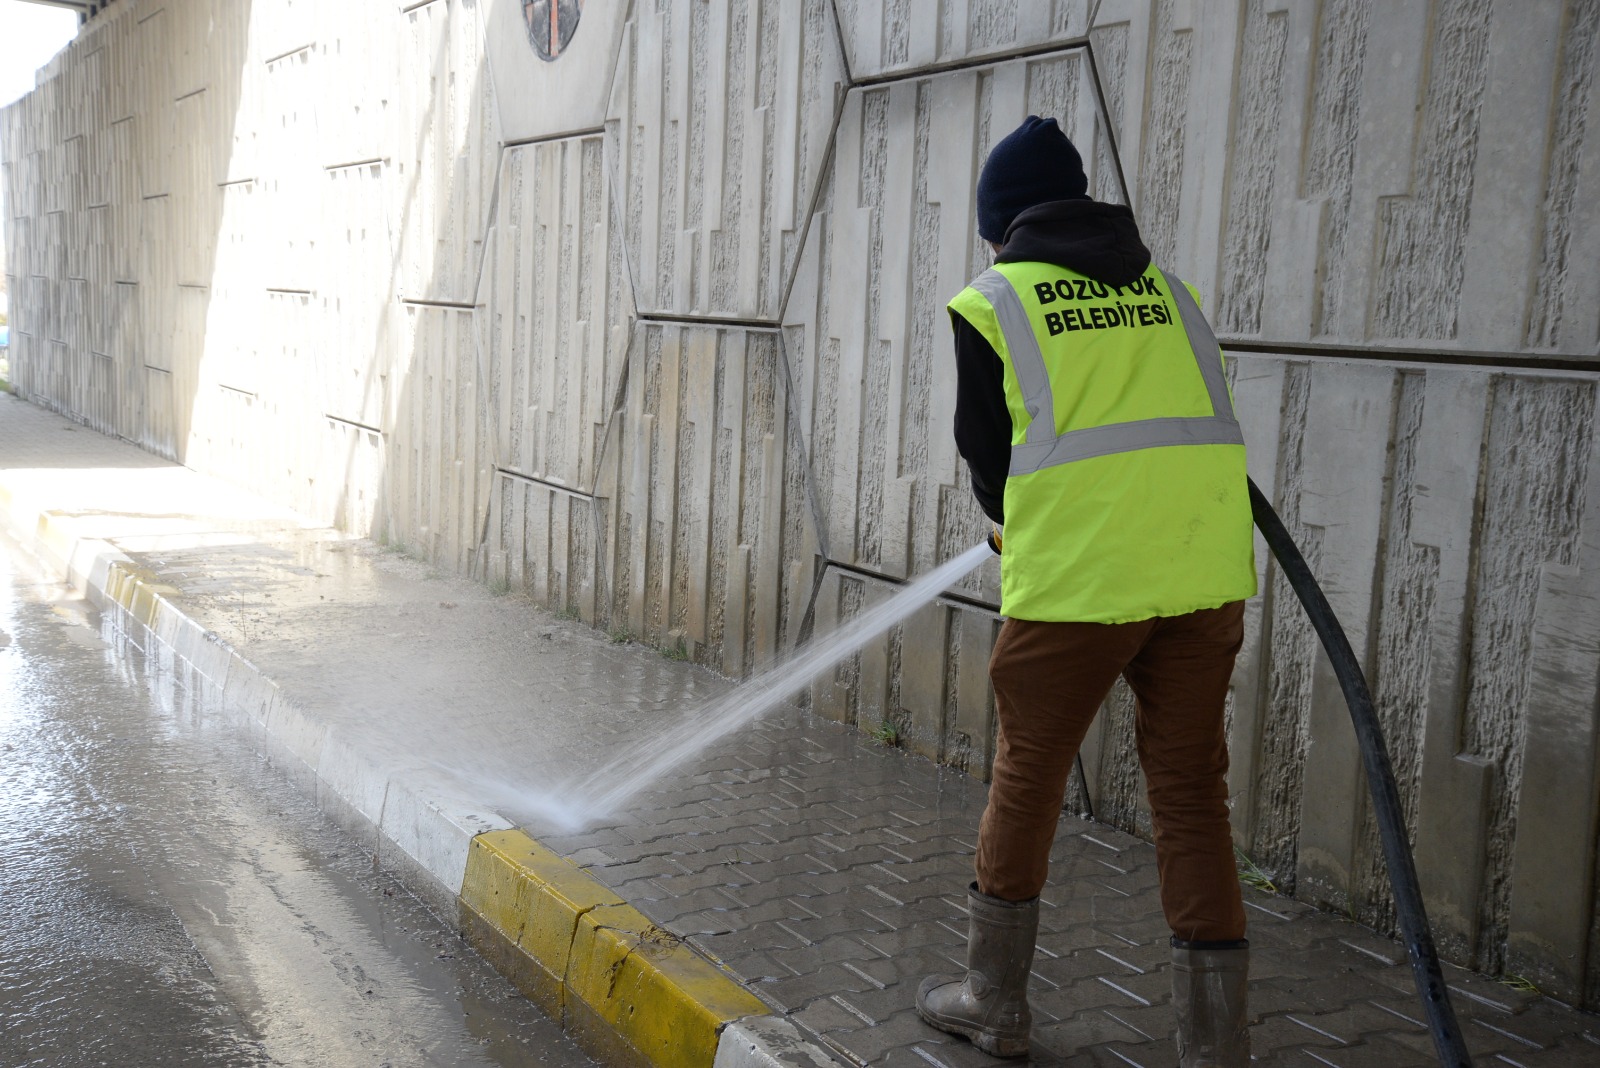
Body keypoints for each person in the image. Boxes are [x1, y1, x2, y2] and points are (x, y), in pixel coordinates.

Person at [914, 115, 1257, 1067]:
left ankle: (994, 1004)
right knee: (1191, 795)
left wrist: (1014, 527)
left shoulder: (995, 303)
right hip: (1200, 577)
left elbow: (992, 468)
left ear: (1006, 224)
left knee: (1028, 778)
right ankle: (1214, 1050)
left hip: (1077, 588)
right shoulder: (1172, 295)